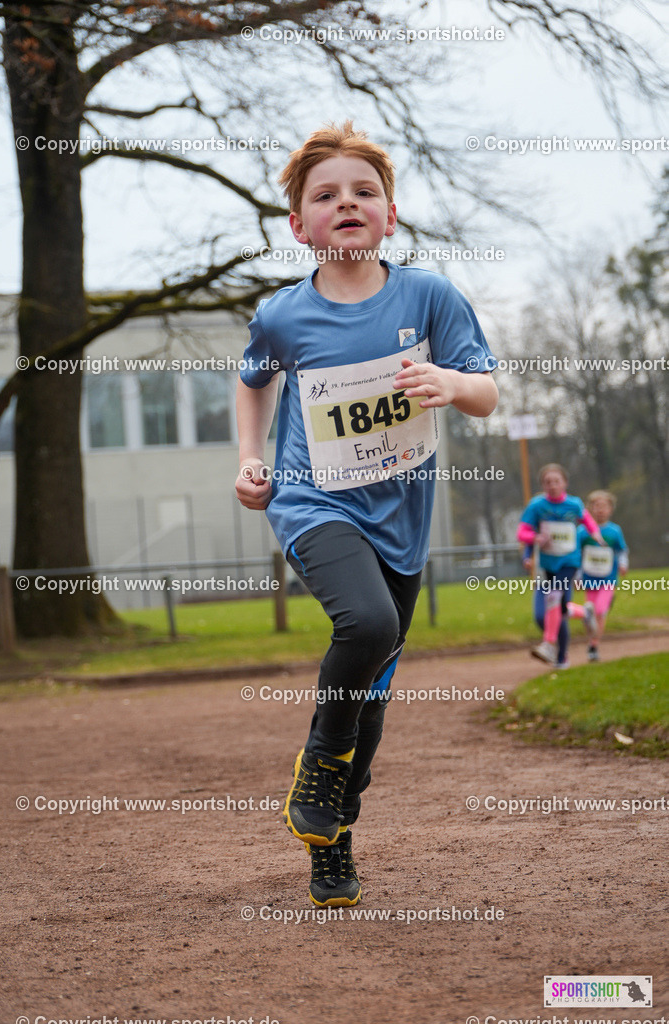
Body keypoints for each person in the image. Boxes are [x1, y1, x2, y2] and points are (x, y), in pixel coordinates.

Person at [235, 121, 498, 907]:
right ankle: (319, 762)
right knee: (369, 624)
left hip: (401, 522)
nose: (346, 203)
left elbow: (486, 391)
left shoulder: (428, 297)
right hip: (312, 501)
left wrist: (451, 384)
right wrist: (248, 460)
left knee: (372, 699)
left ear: (390, 215)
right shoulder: (282, 316)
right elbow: (252, 381)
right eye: (326, 195)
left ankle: (331, 837)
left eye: (363, 191)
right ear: (299, 225)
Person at [517, 464, 604, 666]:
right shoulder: (537, 506)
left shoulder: (574, 504)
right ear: (543, 485)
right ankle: (585, 613)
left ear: (565, 483)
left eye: (556, 481)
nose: (553, 485)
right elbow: (522, 532)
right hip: (549, 563)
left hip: (569, 561)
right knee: (560, 609)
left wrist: (595, 533)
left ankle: (549, 645)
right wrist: (536, 538)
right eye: (548, 482)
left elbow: (587, 520)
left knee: (554, 596)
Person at [567, 490, 629, 661]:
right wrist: (577, 576)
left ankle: (594, 644)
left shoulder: (614, 531)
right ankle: (593, 644)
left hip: (608, 578)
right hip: (589, 578)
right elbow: (576, 554)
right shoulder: (582, 531)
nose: (600, 510)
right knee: (591, 613)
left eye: (604, 506)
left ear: (610, 509)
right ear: (589, 509)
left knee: (600, 611)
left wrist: (623, 564)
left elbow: (621, 550)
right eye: (596, 506)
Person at [522, 544, 570, 668]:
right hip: (542, 580)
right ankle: (585, 612)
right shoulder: (537, 531)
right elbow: (530, 543)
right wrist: (526, 558)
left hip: (561, 578)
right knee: (540, 616)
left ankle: (561, 657)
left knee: (559, 617)